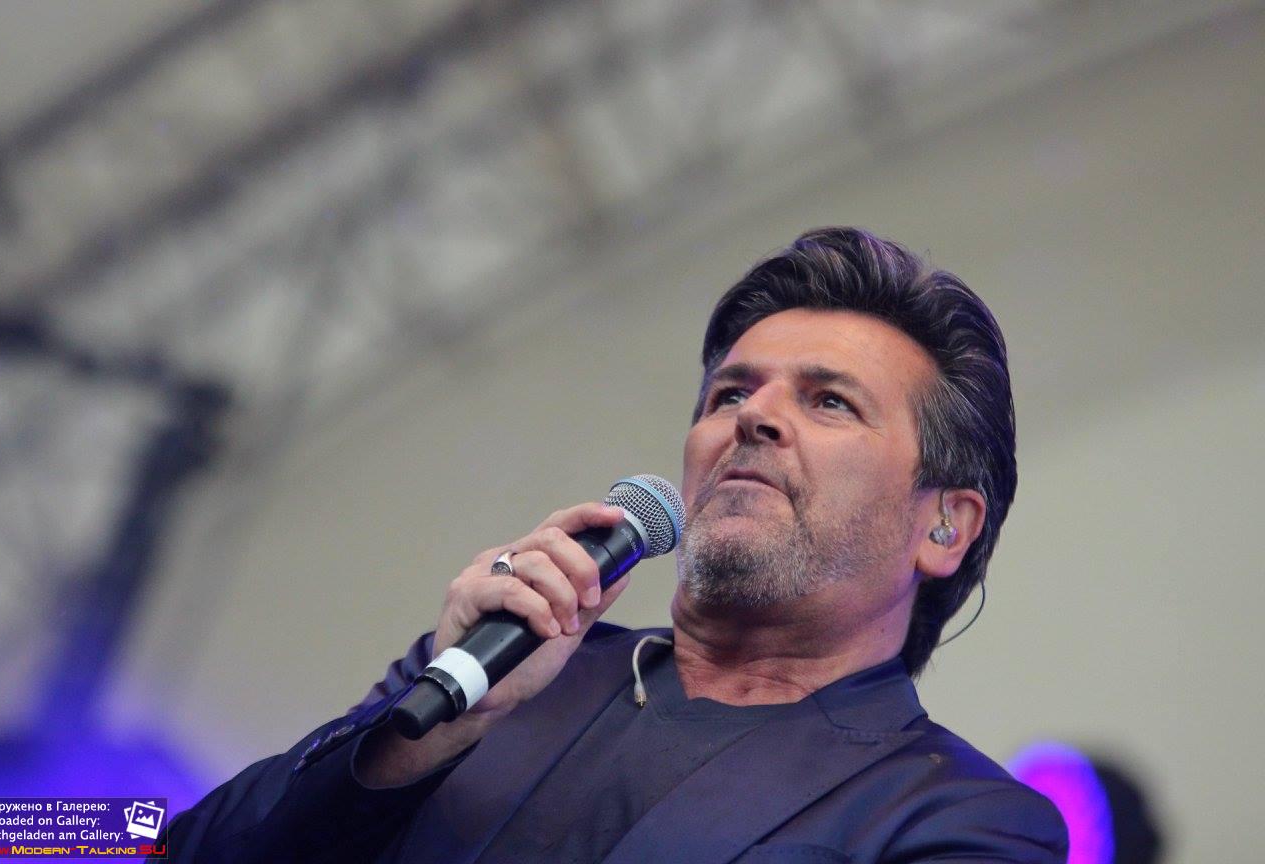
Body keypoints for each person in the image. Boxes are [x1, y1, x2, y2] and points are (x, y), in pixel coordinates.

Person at [160, 227, 1068, 863]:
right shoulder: (497, 673)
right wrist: (433, 732)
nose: (753, 417)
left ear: (945, 525)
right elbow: (175, 849)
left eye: (830, 401)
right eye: (730, 394)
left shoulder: (960, 818)